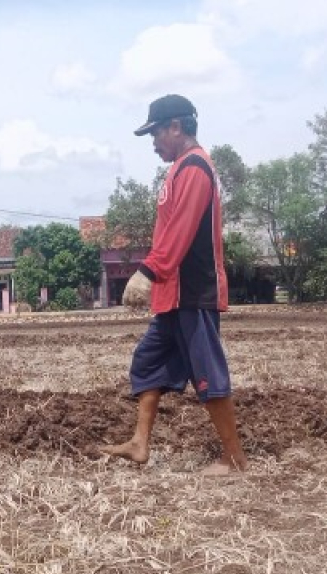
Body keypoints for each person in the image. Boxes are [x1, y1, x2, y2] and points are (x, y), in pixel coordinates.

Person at [99, 94, 247, 476]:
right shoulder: (180, 168)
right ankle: (140, 443)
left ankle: (234, 459)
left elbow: (181, 231)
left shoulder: (196, 167)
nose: (153, 142)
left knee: (207, 373)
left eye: (156, 133)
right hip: (173, 293)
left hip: (193, 291)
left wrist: (148, 271)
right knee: (148, 360)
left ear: (176, 127)